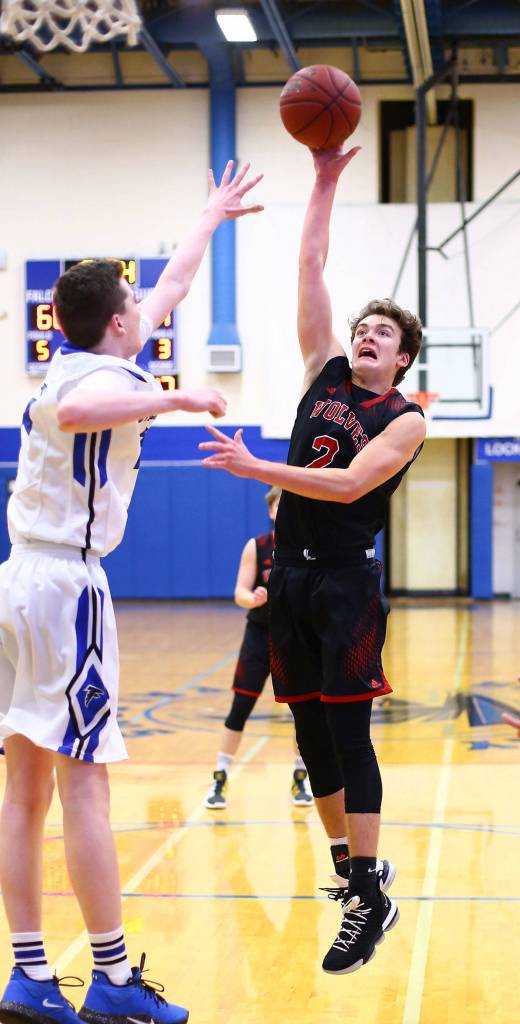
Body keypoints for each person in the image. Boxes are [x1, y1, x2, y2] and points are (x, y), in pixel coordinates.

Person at [0, 160, 262, 1024]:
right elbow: (80, 415)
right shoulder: (94, 383)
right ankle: (112, 980)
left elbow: (175, 281)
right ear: (119, 323)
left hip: (21, 581)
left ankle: (30, 976)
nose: (149, 310)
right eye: (136, 306)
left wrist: (211, 216)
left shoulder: (90, 360)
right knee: (84, 787)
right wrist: (176, 398)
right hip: (64, 591)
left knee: (25, 790)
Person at [199, 144, 426, 976]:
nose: (366, 336)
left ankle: (367, 894)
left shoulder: (406, 420)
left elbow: (348, 484)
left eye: (382, 334)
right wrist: (325, 179)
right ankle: (352, 873)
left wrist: (258, 467)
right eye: (362, 328)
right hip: (289, 579)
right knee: (308, 731)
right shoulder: (319, 371)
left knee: (349, 732)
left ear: (401, 359)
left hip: (345, 582)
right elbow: (310, 265)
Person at [204, 486, 314, 810]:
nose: (285, 509)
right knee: (241, 706)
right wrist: (251, 599)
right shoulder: (257, 546)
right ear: (270, 511)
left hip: (295, 638)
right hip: (260, 636)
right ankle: (220, 776)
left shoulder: (309, 547)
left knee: (304, 712)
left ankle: (301, 777)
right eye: (279, 504)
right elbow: (239, 591)